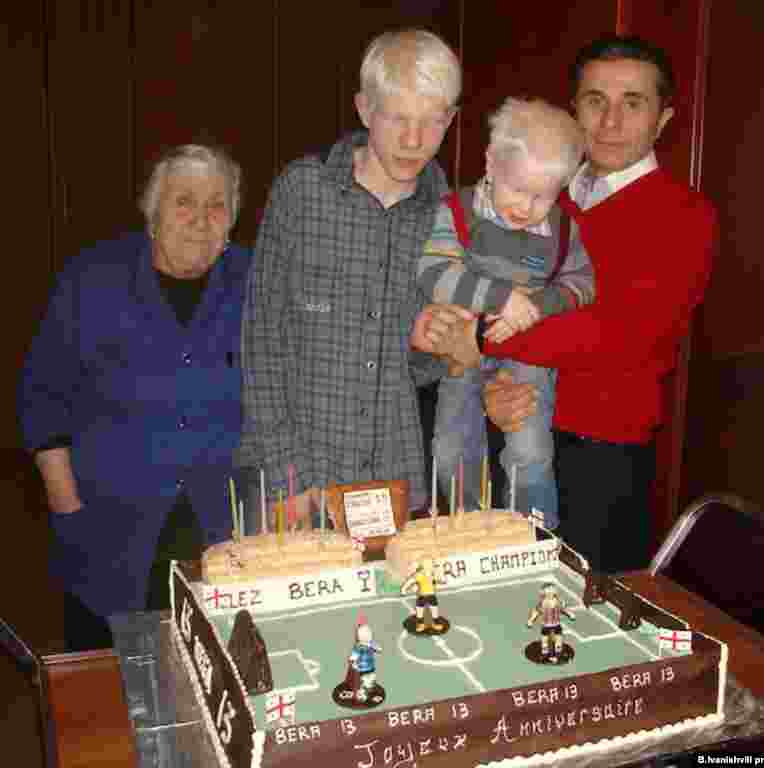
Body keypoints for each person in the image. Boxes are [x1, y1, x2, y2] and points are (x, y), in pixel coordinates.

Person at [433, 36, 717, 574]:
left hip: (600, 456)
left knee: (583, 624)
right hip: (513, 421)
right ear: (573, 111)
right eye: (594, 100)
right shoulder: (542, 199)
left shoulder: (684, 214)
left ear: (663, 119)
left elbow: (619, 337)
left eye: (633, 102)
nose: (610, 121)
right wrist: (489, 377)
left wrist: (476, 336)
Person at [20, 145, 251, 650]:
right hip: (111, 531)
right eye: (183, 202)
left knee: (211, 678)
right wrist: (68, 508)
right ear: (153, 212)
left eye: (216, 206)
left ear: (232, 220)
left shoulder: (256, 283)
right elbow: (43, 399)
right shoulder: (91, 280)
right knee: (108, 689)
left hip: (223, 531)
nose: (199, 220)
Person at [238, 29, 461, 519]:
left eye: (430, 122)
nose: (412, 139)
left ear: (449, 120)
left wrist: (429, 346)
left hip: (391, 480)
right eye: (397, 118)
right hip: (296, 476)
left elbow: (424, 372)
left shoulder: (449, 218)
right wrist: (286, 476)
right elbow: (261, 339)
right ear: (364, 110)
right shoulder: (302, 191)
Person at [417, 98, 593, 524]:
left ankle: (535, 536)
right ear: (491, 164)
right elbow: (432, 271)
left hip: (525, 357)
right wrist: (501, 298)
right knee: (450, 448)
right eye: (516, 189)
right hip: (462, 352)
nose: (525, 207)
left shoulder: (564, 229)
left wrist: (535, 305)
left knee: (530, 449)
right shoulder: (455, 212)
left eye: (542, 196)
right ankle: (469, 529)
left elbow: (582, 285)